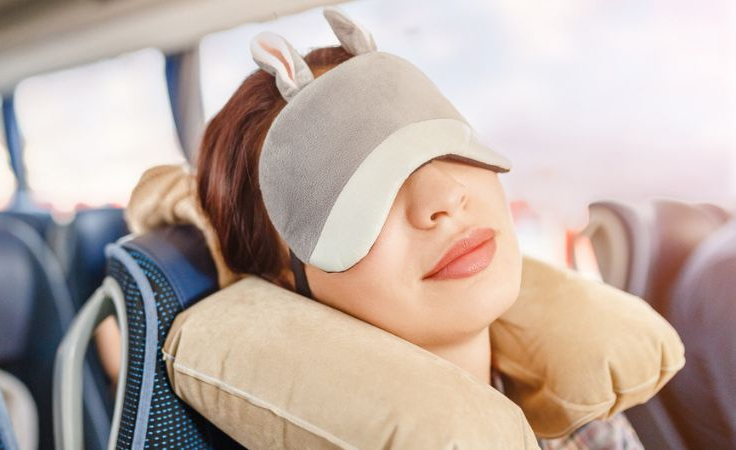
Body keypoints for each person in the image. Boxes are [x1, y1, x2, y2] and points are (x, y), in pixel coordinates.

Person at [111, 7, 645, 448]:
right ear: (283, 282)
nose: (445, 196)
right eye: (355, 184)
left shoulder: (590, 423)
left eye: (439, 139)